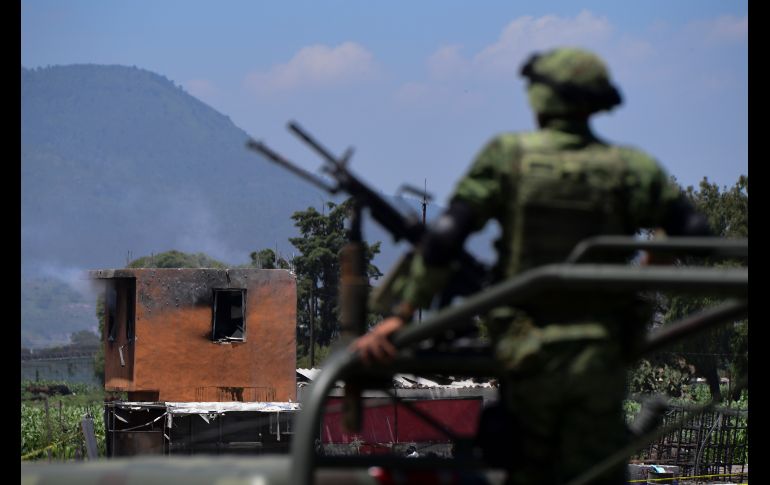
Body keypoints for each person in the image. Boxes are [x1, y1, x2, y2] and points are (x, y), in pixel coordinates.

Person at [351, 47, 711, 484]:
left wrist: (401, 316)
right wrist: (643, 280)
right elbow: (690, 229)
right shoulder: (631, 168)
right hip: (600, 356)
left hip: (526, 356)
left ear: (541, 99)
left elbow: (445, 237)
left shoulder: (509, 156)